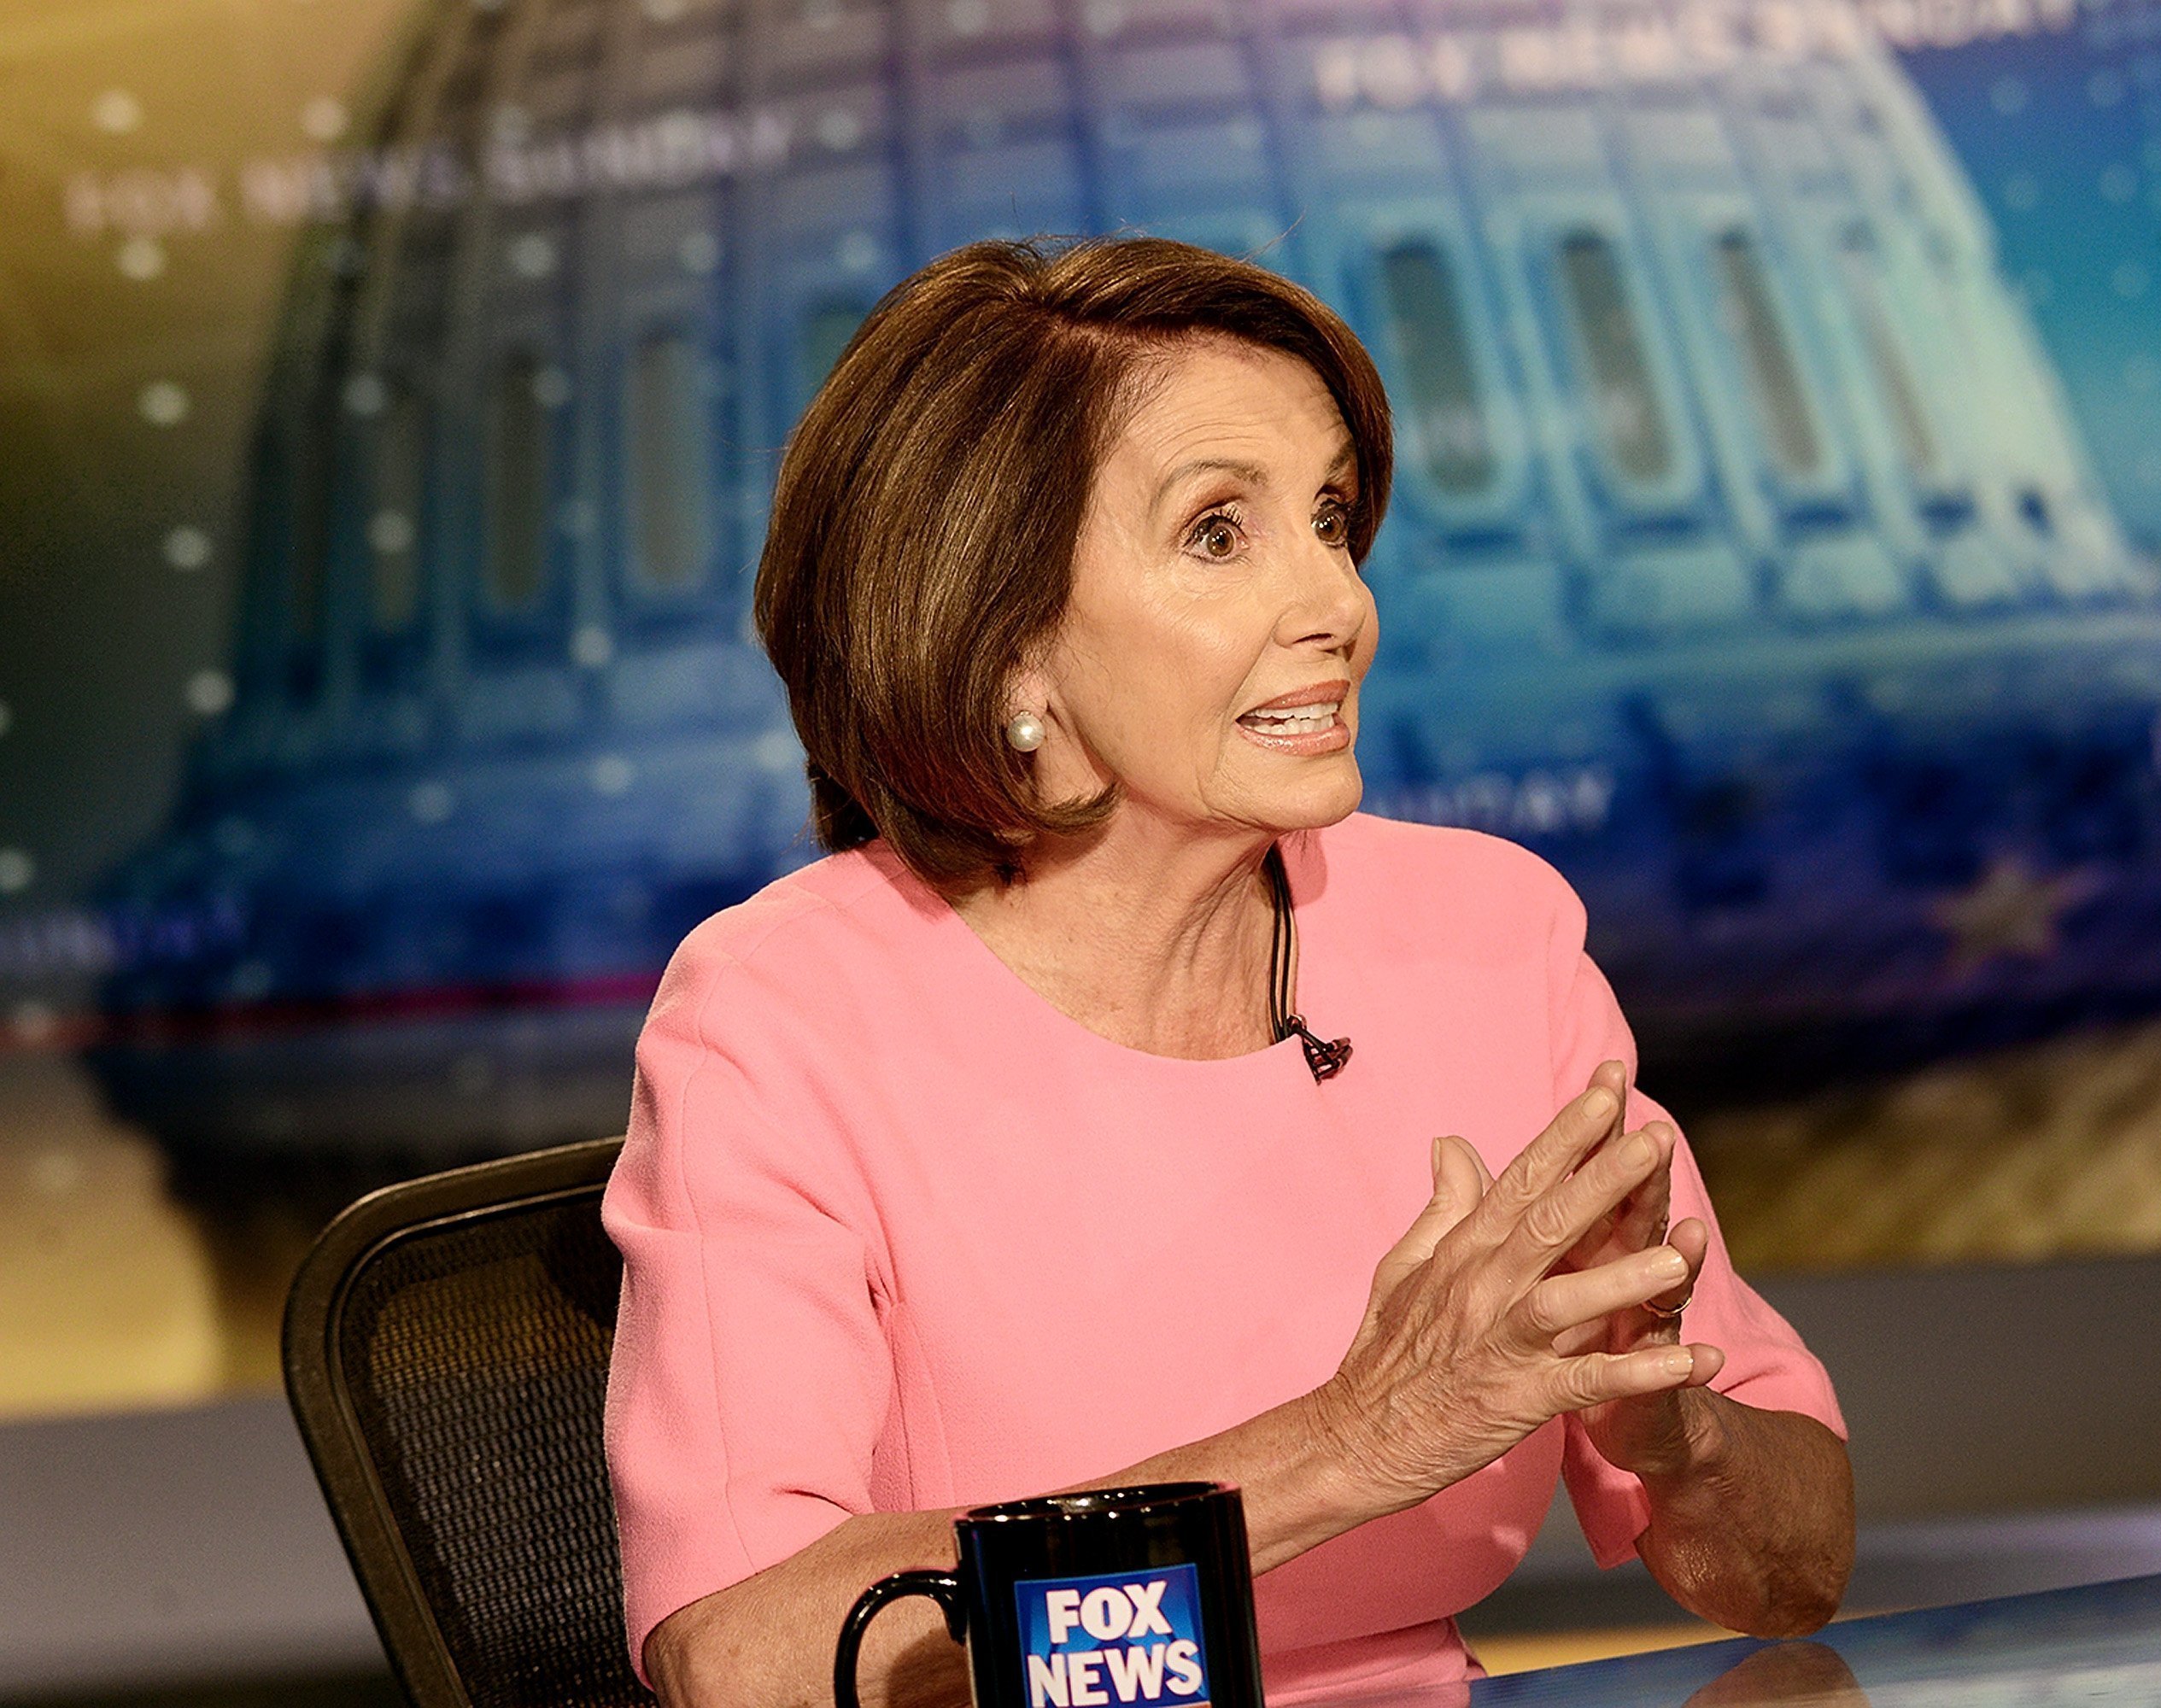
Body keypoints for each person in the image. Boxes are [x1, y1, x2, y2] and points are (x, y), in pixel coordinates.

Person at [603, 236, 1853, 1708]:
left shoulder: (1486, 940)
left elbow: (1793, 1577)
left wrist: (1678, 1442)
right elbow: (741, 1661)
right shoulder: (783, 1020)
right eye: (1218, 532)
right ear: (1008, 650)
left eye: (1329, 518)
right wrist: (1357, 1440)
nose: (1336, 601)